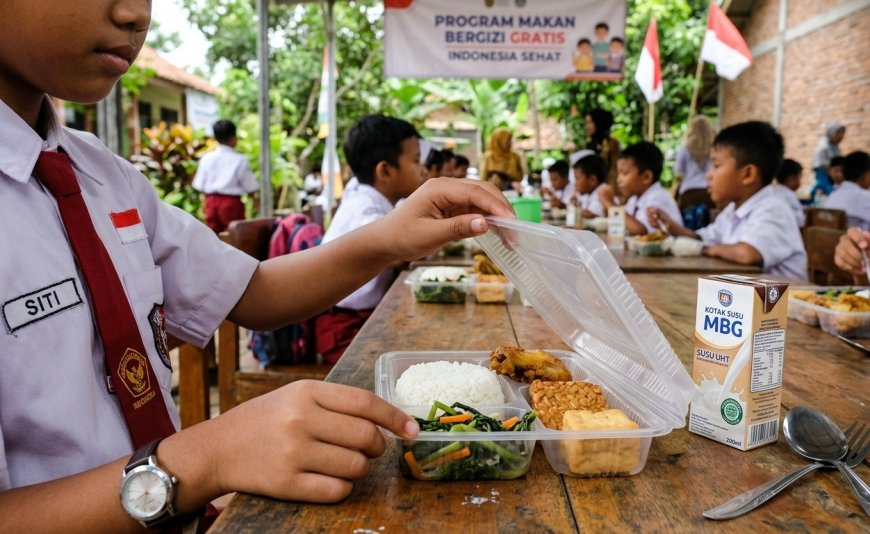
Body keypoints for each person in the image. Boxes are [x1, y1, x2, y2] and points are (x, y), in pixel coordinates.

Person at [0, 3, 514, 531]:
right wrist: (205, 458)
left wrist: (389, 235)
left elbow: (252, 293)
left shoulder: (101, 174)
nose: (135, 15)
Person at [315, 115, 424, 364]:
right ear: (384, 170)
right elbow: (398, 250)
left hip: (367, 317)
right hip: (344, 328)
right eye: (416, 161)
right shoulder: (366, 209)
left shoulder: (375, 200)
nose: (422, 170)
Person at [649, 121, 807, 279]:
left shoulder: (773, 208)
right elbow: (702, 238)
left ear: (748, 175)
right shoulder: (732, 211)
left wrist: (706, 249)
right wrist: (670, 225)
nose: (708, 175)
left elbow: (748, 254)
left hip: (783, 301)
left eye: (716, 166)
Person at [598, 141, 681, 235]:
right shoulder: (634, 199)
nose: (618, 180)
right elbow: (622, 223)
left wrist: (609, 203)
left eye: (624, 173)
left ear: (646, 177)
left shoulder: (658, 198)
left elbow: (640, 231)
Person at [191, 119, 259, 233]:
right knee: (233, 238)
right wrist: (256, 202)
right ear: (233, 138)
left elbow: (199, 185)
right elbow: (250, 187)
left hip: (211, 202)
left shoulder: (207, 158)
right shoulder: (240, 160)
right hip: (231, 204)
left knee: (213, 237)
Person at [674, 115, 715, 211]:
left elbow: (679, 172)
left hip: (689, 192)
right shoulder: (714, 148)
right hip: (709, 191)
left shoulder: (685, 149)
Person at [822, 150, 870, 231]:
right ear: (864, 176)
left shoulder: (833, 195)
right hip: (855, 242)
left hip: (829, 241)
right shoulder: (865, 197)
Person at [584, 108, 620, 189]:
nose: (587, 126)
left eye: (590, 122)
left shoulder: (611, 143)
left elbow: (614, 169)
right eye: (586, 123)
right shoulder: (589, 144)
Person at [809, 122, 846, 201]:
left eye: (842, 133)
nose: (841, 136)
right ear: (831, 132)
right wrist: (832, 171)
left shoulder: (835, 147)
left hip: (831, 175)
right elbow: (820, 163)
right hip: (822, 173)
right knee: (824, 190)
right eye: (838, 133)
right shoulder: (824, 146)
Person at [771, 158, 806, 227]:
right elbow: (801, 221)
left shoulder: (774, 192)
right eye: (799, 177)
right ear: (791, 179)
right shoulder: (789, 195)